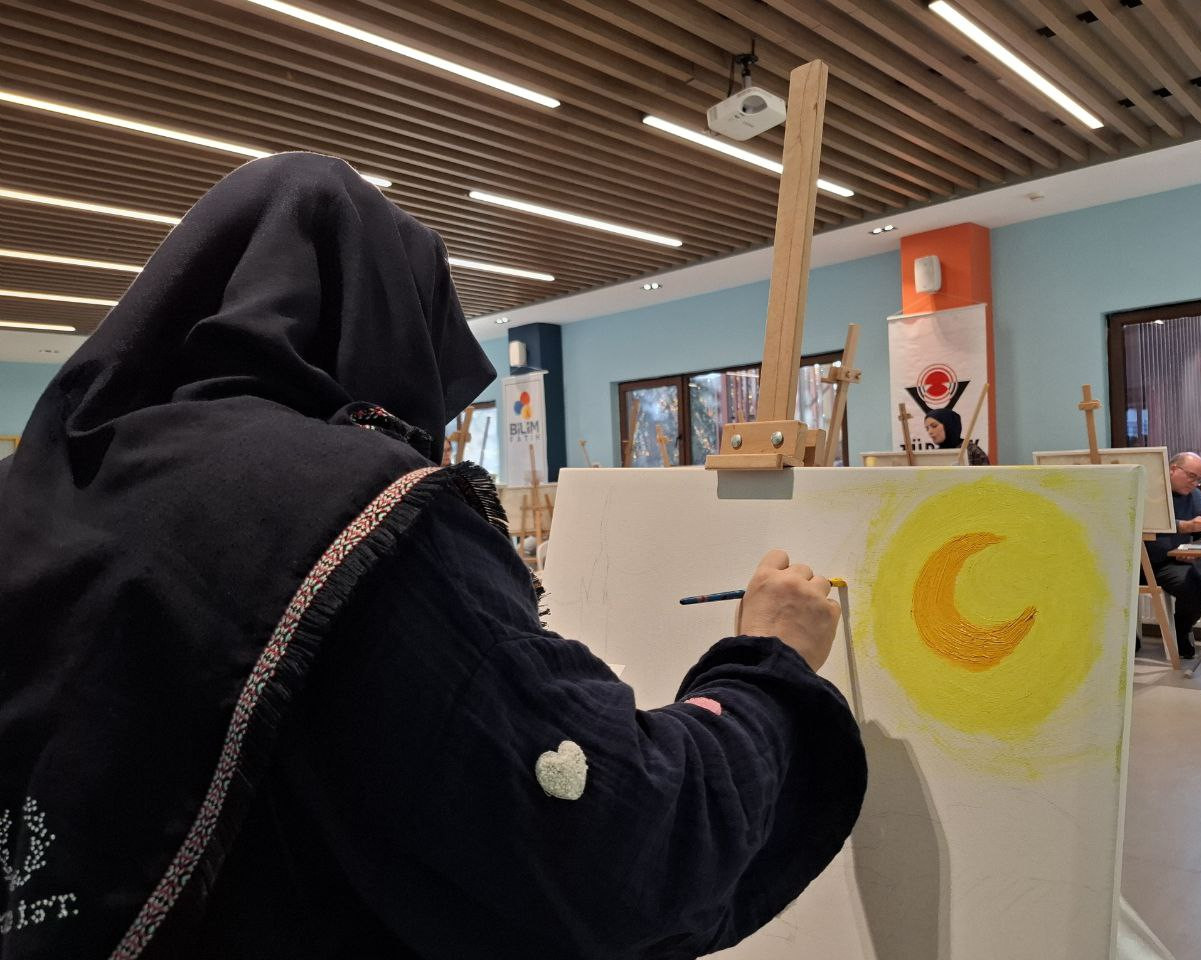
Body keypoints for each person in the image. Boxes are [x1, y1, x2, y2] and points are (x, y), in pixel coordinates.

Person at [0, 154, 867, 960]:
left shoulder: (52, 495)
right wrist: (767, 668)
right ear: (387, 322)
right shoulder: (340, 507)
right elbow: (615, 835)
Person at [1141, 451, 1201, 660]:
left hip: (1169, 563)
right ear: (1172, 469)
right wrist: (1183, 526)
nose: (1195, 483)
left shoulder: (1195, 496)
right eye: (1191, 476)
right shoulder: (1149, 492)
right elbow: (1144, 526)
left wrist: (1194, 550)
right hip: (1137, 563)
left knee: (1197, 588)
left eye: (1199, 479)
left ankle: (1180, 631)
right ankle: (1127, 636)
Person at [923, 406, 990, 465]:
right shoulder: (936, 455)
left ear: (949, 425)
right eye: (927, 428)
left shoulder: (972, 451)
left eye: (934, 426)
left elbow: (986, 475)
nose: (930, 432)